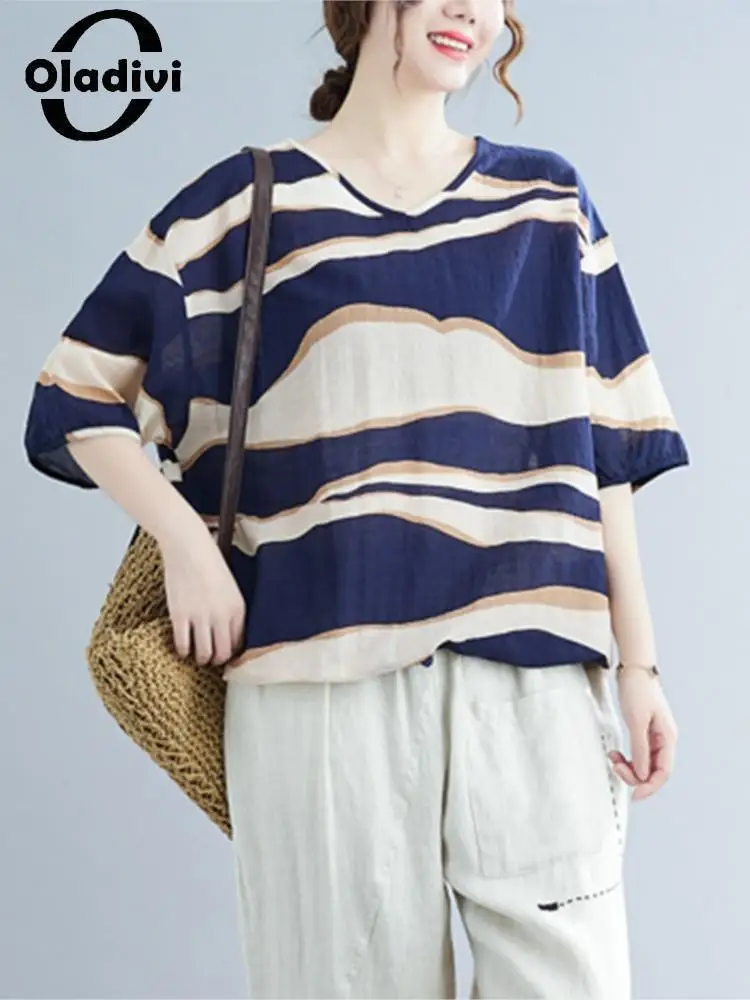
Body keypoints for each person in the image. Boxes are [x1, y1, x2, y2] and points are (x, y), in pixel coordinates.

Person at [23, 1, 690, 997]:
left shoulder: (548, 205)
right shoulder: (248, 203)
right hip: (318, 690)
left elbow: (608, 462)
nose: (470, 10)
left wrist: (639, 667)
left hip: (533, 685)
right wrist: (186, 546)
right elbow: (75, 392)